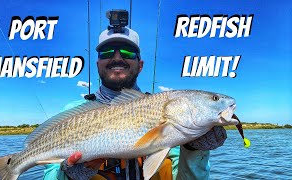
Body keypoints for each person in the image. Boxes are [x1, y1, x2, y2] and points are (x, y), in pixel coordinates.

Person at [43, 27, 227, 180]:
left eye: (127, 52)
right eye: (107, 52)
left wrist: (194, 150)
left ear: (140, 65)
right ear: (98, 63)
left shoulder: (171, 118)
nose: (117, 58)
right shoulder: (74, 112)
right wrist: (68, 174)